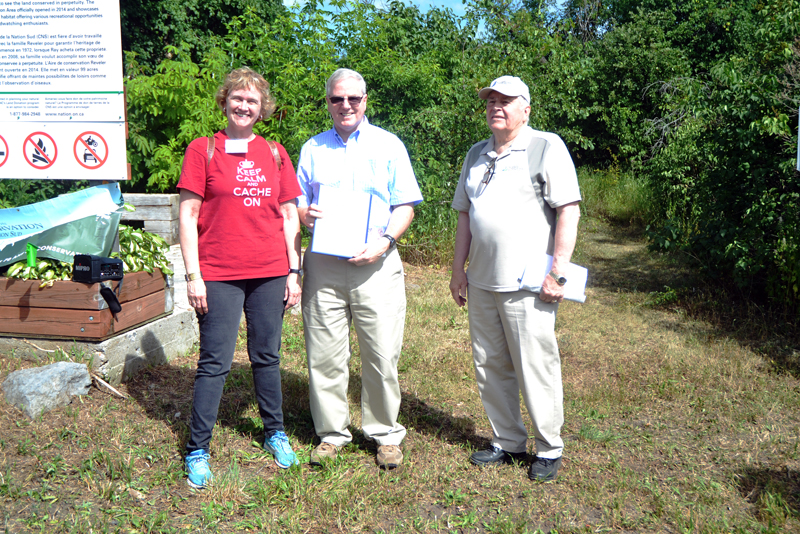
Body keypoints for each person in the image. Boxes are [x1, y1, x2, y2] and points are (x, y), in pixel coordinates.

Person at [449, 76, 581, 482]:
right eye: (491, 101)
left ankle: (549, 447)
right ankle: (507, 440)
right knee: (490, 364)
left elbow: (569, 210)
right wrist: (458, 271)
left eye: (505, 101)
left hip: (528, 283)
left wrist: (558, 271)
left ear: (526, 108)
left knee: (535, 365)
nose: (496, 107)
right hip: (483, 281)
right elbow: (465, 216)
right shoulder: (476, 153)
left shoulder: (545, 146)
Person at [177, 67, 303, 489]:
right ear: (225, 101)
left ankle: (275, 433)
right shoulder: (203, 149)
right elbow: (188, 214)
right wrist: (193, 276)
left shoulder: (275, 153)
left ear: (262, 108)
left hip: (269, 271)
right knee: (214, 362)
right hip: (219, 272)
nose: (244, 106)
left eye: (252, 100)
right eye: (237, 97)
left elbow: (289, 216)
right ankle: (197, 448)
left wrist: (293, 270)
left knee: (267, 357)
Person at [296, 68, 423, 469]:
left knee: (381, 353)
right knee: (324, 354)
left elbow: (405, 205)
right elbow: (296, 202)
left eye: (353, 98)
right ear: (328, 103)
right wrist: (305, 214)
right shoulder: (312, 148)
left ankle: (384, 433)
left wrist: (385, 241)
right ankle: (332, 434)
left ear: (365, 100)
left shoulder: (389, 145)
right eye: (337, 99)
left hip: (377, 264)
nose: (346, 105)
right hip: (323, 267)